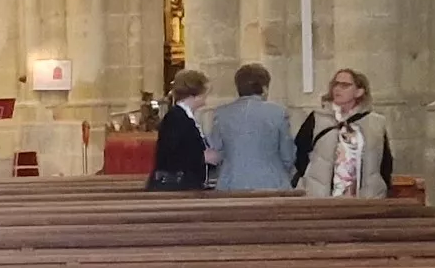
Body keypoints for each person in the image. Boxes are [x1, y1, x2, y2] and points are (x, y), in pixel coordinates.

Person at [296, 68, 392, 198]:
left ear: (359, 91)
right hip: (321, 195)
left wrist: (380, 188)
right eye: (335, 84)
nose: (337, 89)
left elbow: (385, 162)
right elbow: (299, 153)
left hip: (365, 198)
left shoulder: (375, 122)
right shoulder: (318, 118)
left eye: (345, 85)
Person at [204, 63, 295, 192]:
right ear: (264, 88)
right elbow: (288, 155)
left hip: (231, 183)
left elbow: (216, 149)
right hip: (272, 182)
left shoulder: (221, 114)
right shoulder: (278, 112)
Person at [145, 71, 210, 191]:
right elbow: (169, 155)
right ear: (194, 94)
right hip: (175, 186)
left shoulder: (184, 116)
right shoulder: (176, 117)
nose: (206, 96)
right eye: (204, 92)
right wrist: (203, 157)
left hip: (185, 184)